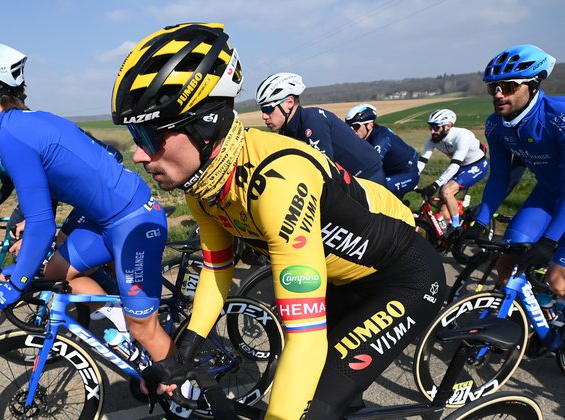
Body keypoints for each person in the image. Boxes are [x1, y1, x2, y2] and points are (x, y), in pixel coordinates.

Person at [111, 22, 446, 419]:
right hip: (343, 279)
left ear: (204, 128)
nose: (138, 155)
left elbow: (304, 338)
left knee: (314, 404)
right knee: (320, 396)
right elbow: (218, 270)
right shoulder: (204, 185)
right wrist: (185, 351)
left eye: (149, 136)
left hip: (404, 276)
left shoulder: (278, 180)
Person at [0, 40, 173, 362]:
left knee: (146, 329)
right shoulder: (23, 124)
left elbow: (41, 224)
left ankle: (187, 396)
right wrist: (31, 249)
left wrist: (15, 286)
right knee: (55, 271)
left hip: (132, 219)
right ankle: (122, 322)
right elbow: (47, 196)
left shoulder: (13, 137)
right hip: (100, 219)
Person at [465, 44, 565, 296]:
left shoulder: (559, 118)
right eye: (493, 88)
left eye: (508, 86)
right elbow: (500, 177)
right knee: (507, 263)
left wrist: (550, 240)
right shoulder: (496, 126)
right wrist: (480, 221)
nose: (498, 95)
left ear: (532, 86)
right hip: (548, 196)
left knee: (558, 280)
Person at [255, 72, 385, 185]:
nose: (264, 116)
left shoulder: (313, 121)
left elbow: (324, 173)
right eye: (262, 109)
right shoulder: (287, 130)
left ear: (289, 102)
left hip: (368, 175)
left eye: (268, 109)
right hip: (351, 180)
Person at [417, 109, 488, 229]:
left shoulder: (462, 135)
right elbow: (422, 161)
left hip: (476, 165)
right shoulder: (432, 139)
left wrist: (435, 184)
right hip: (460, 167)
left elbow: (455, 164)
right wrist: (412, 178)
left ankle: (456, 227)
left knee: (446, 191)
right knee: (441, 204)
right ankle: (447, 233)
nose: (432, 131)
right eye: (430, 127)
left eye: (436, 127)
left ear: (448, 126)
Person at [345, 104, 420, 197]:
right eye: (348, 127)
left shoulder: (381, 138)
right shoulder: (363, 136)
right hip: (389, 172)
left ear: (369, 125)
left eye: (356, 126)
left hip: (407, 173)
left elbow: (370, 165)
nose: (352, 131)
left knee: (376, 193)